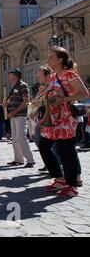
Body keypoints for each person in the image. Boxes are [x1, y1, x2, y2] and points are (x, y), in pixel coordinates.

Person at [38, 46, 89, 198]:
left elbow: (84, 93)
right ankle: (59, 178)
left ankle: (72, 185)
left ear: (60, 59)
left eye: (51, 57)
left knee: (66, 151)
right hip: (53, 118)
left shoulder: (69, 74)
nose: (48, 59)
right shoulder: (53, 77)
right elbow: (50, 98)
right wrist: (44, 115)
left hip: (66, 118)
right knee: (43, 146)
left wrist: (63, 99)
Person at [5, 68, 35, 168]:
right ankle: (18, 159)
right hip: (13, 116)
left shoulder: (23, 85)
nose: (8, 76)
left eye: (10, 75)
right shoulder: (13, 86)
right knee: (15, 138)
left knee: (21, 136)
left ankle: (30, 160)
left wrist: (13, 112)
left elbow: (26, 101)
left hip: (20, 115)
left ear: (16, 76)